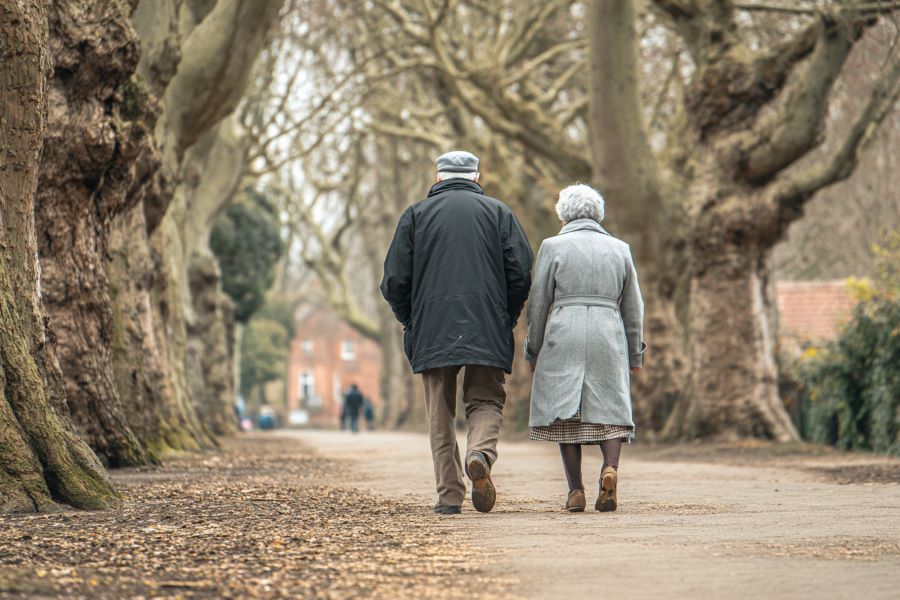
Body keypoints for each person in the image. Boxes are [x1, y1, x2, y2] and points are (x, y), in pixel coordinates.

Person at [381, 150, 533, 515]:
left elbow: (393, 280)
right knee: (486, 399)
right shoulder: (500, 214)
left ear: (438, 179)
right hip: (487, 322)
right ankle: (479, 452)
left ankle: (449, 496)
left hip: (432, 326)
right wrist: (506, 316)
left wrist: (411, 319)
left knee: (440, 413)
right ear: (477, 178)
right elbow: (521, 272)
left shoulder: (415, 216)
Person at [525, 184, 645, 513]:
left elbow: (538, 304)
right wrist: (635, 354)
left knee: (566, 412)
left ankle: (575, 491)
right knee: (612, 407)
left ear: (563, 213)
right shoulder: (620, 249)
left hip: (564, 331)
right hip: (608, 331)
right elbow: (634, 307)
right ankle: (610, 470)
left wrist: (533, 349)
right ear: (598, 213)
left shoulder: (552, 246)